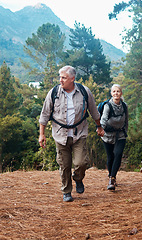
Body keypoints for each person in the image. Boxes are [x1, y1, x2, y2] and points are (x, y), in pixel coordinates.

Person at [39, 65, 105, 202]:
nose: (60, 80)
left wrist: (99, 127)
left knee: (81, 163)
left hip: (79, 133)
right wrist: (42, 134)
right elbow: (45, 114)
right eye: (60, 77)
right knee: (64, 165)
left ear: (72, 79)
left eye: (64, 78)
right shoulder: (54, 93)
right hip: (60, 134)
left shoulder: (84, 91)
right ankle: (67, 191)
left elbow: (94, 111)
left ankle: (78, 178)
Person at [100, 84, 128, 190]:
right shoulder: (108, 106)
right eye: (114, 91)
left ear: (121, 93)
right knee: (110, 157)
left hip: (120, 134)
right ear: (111, 93)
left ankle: (112, 178)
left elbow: (126, 120)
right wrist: (101, 129)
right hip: (107, 135)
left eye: (118, 91)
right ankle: (110, 175)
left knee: (118, 154)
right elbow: (103, 119)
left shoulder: (124, 106)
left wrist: (125, 132)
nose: (116, 93)